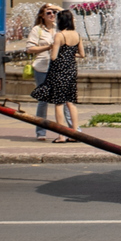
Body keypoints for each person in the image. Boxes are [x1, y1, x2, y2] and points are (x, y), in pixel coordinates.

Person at [29, 9, 83, 142]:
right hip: (71, 70)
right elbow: (82, 54)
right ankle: (75, 133)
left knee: (59, 103)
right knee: (70, 102)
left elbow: (53, 57)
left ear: (61, 21)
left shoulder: (59, 35)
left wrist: (56, 50)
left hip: (58, 71)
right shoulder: (77, 35)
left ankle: (61, 135)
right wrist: (69, 55)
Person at [23, 5, 72, 140]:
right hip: (42, 67)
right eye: (48, 13)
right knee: (43, 100)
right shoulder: (37, 30)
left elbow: (69, 16)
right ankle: (41, 132)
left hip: (60, 68)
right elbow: (29, 49)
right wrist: (48, 47)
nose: (52, 15)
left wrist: (56, 7)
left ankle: (73, 130)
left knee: (66, 99)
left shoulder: (60, 27)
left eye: (54, 13)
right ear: (42, 16)